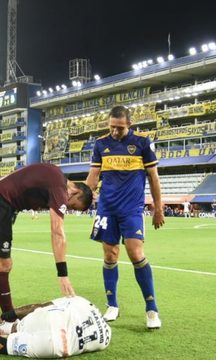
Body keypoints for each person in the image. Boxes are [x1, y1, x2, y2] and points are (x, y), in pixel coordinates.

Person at [0, 163, 93, 314]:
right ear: (75, 193)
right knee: (3, 263)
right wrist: (62, 274)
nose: (68, 209)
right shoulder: (60, 187)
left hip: (0, 204)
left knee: (3, 264)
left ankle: (7, 314)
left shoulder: (56, 179)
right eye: (73, 207)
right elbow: (57, 231)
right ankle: (8, 318)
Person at [85, 105, 164, 329]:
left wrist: (158, 208)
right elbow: (93, 176)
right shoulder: (101, 144)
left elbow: (153, 177)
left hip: (131, 208)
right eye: (112, 127)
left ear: (129, 124)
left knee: (135, 252)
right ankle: (112, 305)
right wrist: (83, 196)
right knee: (110, 255)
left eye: (119, 128)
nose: (115, 132)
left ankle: (151, 309)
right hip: (106, 208)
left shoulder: (142, 142)